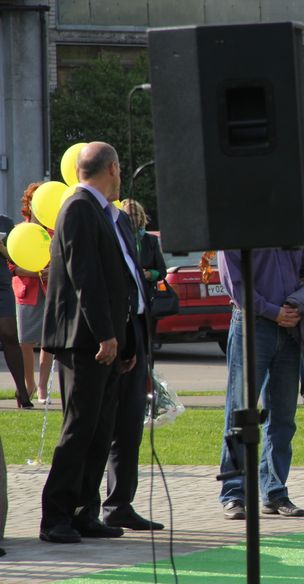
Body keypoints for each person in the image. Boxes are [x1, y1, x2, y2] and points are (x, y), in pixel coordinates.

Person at [40, 141, 140, 543]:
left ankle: (84, 511)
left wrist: (124, 339)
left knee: (101, 428)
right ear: (112, 169)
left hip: (105, 339)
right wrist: (106, 335)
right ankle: (55, 516)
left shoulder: (99, 212)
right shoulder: (80, 208)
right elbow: (86, 278)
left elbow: (117, 280)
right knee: (80, 428)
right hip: (85, 341)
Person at [217, 243, 304, 520]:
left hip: (291, 329)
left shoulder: (293, 218)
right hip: (250, 325)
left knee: (283, 416)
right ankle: (233, 494)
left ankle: (275, 492)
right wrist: (272, 311)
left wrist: (300, 300)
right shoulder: (236, 221)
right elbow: (233, 282)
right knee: (240, 413)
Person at [83, 198, 161, 531]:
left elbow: (136, 283)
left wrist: (132, 339)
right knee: (97, 427)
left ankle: (120, 504)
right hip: (107, 339)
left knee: (130, 426)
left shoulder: (131, 232)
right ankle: (81, 508)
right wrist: (113, 336)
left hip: (135, 334)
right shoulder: (89, 218)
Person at [12, 183, 53, 406]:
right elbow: (12, 266)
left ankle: (43, 386)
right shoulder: (20, 231)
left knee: (49, 341)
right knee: (24, 340)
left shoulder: (54, 232)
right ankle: (29, 383)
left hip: (50, 289)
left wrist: (51, 271)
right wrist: (36, 272)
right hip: (26, 290)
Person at [120, 200, 166, 337]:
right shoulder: (119, 239)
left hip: (147, 302)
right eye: (128, 215)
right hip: (126, 304)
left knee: (146, 346)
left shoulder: (150, 241)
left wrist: (149, 274)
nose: (132, 218)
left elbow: (162, 271)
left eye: (136, 214)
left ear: (141, 217)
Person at [0, 211, 31, 409]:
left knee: (10, 333)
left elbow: (15, 257)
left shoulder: (6, 221)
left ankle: (22, 391)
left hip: (2, 283)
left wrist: (2, 249)